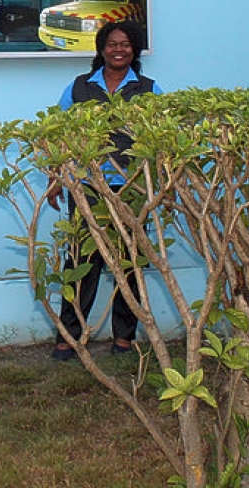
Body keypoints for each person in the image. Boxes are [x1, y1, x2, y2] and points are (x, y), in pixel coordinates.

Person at [46, 20, 161, 361]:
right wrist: (55, 177)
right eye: (112, 43)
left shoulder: (149, 90)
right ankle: (68, 337)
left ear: (134, 49)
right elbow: (59, 135)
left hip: (132, 189)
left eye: (126, 44)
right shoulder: (80, 87)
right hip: (88, 188)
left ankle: (124, 339)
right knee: (82, 261)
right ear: (101, 48)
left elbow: (158, 141)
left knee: (129, 262)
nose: (119, 49)